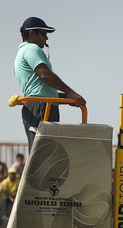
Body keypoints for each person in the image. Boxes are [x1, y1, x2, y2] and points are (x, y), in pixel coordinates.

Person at [14, 17, 86, 152]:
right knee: (42, 156)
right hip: (41, 107)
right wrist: (72, 93)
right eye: (43, 33)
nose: (46, 38)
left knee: (47, 155)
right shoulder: (31, 49)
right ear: (32, 33)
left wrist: (63, 97)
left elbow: (40, 88)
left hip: (41, 105)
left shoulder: (23, 52)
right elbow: (45, 75)